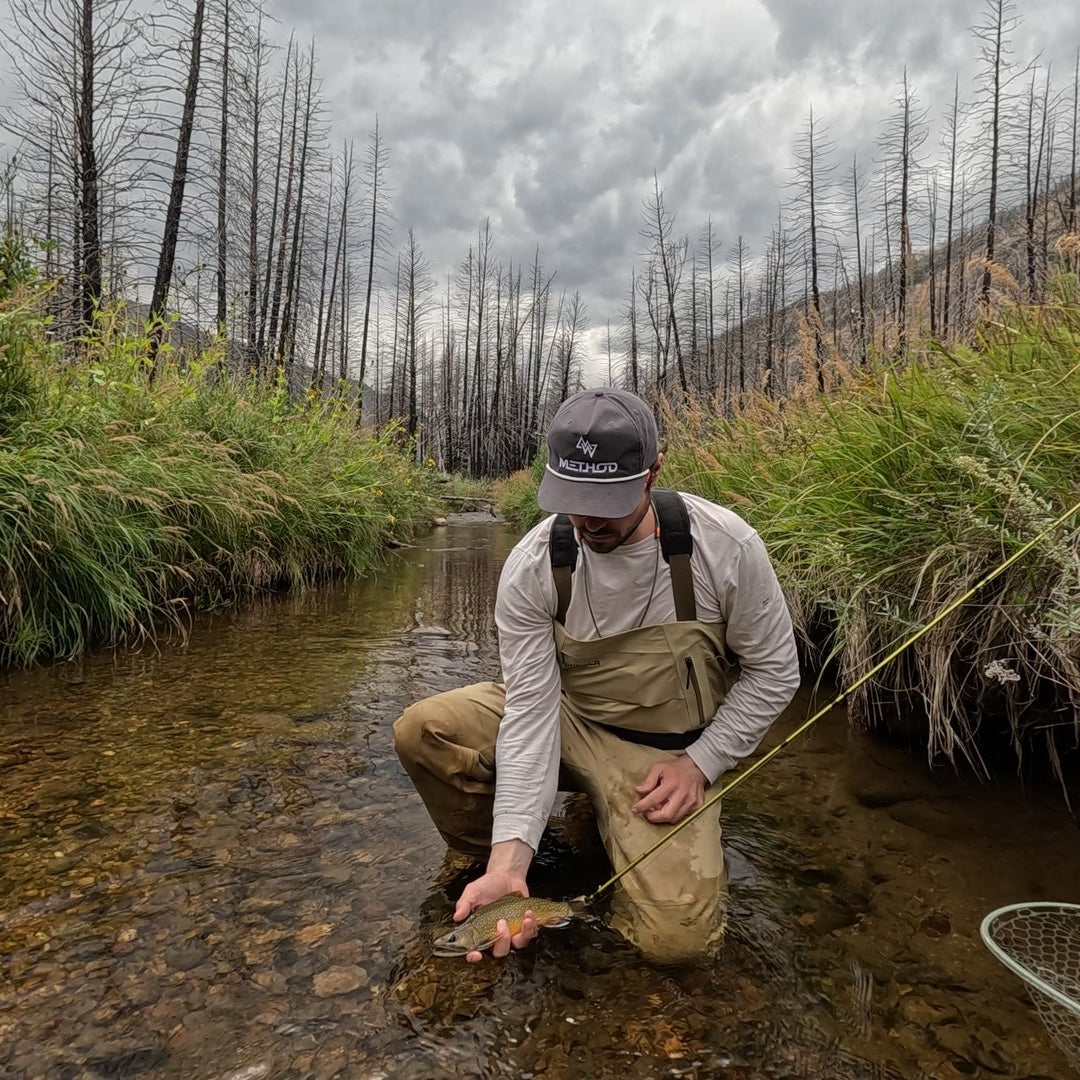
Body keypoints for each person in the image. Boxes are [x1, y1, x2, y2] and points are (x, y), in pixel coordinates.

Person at [393, 388, 800, 963]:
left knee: (678, 944)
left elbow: (775, 671)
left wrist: (701, 763)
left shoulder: (724, 547)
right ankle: (512, 861)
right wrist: (510, 863)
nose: (586, 518)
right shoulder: (535, 565)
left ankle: (606, 823)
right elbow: (531, 715)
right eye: (572, 497)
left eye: (605, 500)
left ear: (654, 471)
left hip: (659, 754)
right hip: (562, 716)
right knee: (425, 729)